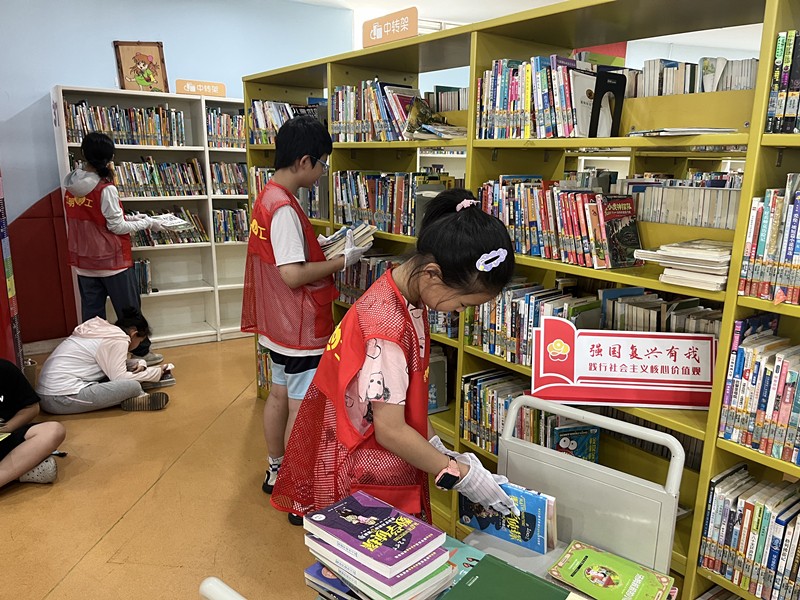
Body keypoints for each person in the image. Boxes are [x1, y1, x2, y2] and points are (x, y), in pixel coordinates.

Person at [270, 189, 519, 524]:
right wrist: (458, 474)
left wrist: (436, 446)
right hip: (367, 469)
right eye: (463, 303)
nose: (460, 312)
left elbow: (405, 396)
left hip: (376, 456)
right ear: (432, 274)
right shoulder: (386, 330)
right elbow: (389, 430)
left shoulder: (404, 294)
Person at [241, 115, 371, 499]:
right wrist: (343, 260)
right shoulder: (284, 208)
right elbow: (293, 274)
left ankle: (276, 470)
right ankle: (298, 486)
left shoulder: (267, 197)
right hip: (299, 329)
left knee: (278, 397)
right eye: (321, 164)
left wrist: (320, 245)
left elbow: (280, 256)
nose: (321, 173)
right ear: (303, 161)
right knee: (302, 408)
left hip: (277, 326)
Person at [64, 131, 166, 369]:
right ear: (110, 158)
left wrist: (133, 217)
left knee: (92, 317)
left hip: (84, 261)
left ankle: (95, 360)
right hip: (112, 261)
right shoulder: (105, 188)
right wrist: (147, 223)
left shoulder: (71, 185)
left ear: (84, 154)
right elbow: (116, 226)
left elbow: (97, 219)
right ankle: (141, 352)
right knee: (129, 311)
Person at [36, 308, 171, 414]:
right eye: (140, 341)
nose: (138, 345)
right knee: (132, 386)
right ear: (134, 334)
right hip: (59, 398)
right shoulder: (118, 339)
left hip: (49, 393)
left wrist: (140, 363)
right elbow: (120, 377)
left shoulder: (103, 331)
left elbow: (109, 365)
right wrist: (155, 373)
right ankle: (137, 396)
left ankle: (132, 398)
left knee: (122, 380)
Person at [0, 358, 66, 488]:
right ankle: (21, 472)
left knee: (54, 430)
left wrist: (5, 429)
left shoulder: (5, 369)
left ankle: (14, 472)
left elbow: (31, 408)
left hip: (6, 436)